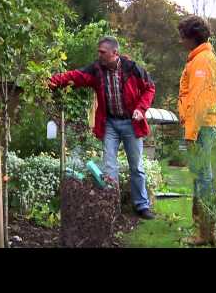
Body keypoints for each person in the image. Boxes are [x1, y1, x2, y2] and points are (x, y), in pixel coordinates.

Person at [48, 36, 156, 219]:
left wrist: (141, 108)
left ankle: (141, 206)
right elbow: (75, 76)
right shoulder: (96, 70)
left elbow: (150, 88)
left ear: (115, 53)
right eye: (98, 52)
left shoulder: (132, 68)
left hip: (131, 123)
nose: (99, 55)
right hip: (110, 124)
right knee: (109, 166)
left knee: (136, 166)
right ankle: (112, 206)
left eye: (102, 52)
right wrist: (51, 81)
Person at [177, 15, 216, 246]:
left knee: (203, 178)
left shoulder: (202, 61)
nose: (180, 41)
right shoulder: (198, 58)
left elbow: (199, 100)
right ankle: (203, 231)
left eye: (182, 36)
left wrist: (190, 133)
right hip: (200, 126)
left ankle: (206, 232)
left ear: (193, 36)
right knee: (200, 177)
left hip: (201, 127)